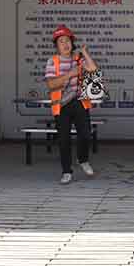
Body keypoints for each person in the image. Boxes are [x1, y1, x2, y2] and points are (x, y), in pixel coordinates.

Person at [45, 25, 99, 184]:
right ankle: (66, 171)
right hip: (62, 105)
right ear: (56, 45)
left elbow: (93, 70)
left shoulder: (78, 59)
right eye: (61, 41)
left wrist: (85, 53)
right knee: (64, 139)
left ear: (72, 43)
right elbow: (51, 84)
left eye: (67, 40)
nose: (65, 44)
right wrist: (69, 74)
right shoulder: (52, 61)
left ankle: (83, 159)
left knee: (85, 134)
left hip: (80, 101)